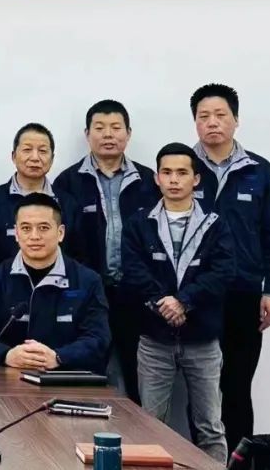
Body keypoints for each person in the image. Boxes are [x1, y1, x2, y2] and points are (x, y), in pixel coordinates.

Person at [189, 83, 270, 452]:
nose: (212, 122)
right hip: (196, 295)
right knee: (201, 390)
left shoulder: (258, 170)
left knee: (236, 387)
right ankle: (203, 461)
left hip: (244, 293)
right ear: (195, 123)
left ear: (235, 120)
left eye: (220, 115)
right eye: (204, 116)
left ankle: (240, 462)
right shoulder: (182, 166)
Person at [122, 143, 233, 462]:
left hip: (203, 341)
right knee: (150, 425)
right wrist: (164, 303)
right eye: (167, 172)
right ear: (156, 178)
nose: (174, 179)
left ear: (195, 179)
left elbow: (223, 271)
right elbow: (134, 271)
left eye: (182, 173)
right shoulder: (139, 223)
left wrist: (184, 301)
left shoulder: (215, 223)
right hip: (154, 341)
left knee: (210, 427)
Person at [54, 100, 160, 403]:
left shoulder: (148, 181)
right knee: (86, 371)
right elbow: (62, 241)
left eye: (116, 128)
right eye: (99, 128)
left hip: (137, 293)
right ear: (87, 134)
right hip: (86, 293)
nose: (108, 135)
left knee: (138, 374)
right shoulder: (68, 181)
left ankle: (137, 430)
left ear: (128, 133)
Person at [0, 193, 110, 373]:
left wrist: (58, 357)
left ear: (60, 233)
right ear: (16, 234)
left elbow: (98, 338)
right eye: (26, 228)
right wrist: (6, 355)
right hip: (7, 375)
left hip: (66, 376)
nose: (34, 236)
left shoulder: (88, 281)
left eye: (43, 228)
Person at [0, 123, 79, 283]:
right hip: (3, 289)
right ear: (13, 156)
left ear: (52, 159)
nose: (35, 157)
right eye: (27, 150)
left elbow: (77, 254)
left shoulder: (68, 203)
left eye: (43, 151)